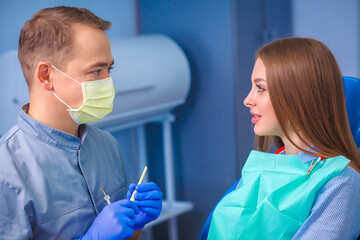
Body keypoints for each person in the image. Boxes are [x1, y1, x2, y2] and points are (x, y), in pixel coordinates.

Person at [0, 6, 163, 240]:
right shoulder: (7, 174)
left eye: (109, 69)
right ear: (46, 76)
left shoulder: (106, 145)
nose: (108, 82)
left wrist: (137, 224)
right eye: (96, 71)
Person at [200, 37, 360, 239]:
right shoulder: (265, 168)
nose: (247, 100)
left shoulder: (340, 182)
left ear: (300, 96)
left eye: (261, 88)